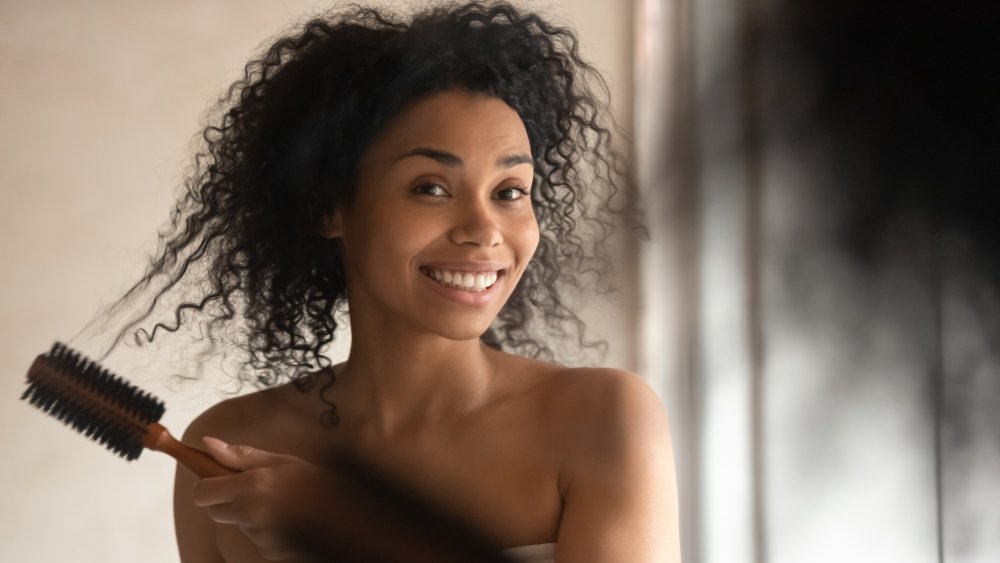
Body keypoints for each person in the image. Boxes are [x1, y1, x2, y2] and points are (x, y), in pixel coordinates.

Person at [107, 2, 679, 561]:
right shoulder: (227, 449)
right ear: (330, 207)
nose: (484, 231)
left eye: (510, 192)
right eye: (430, 187)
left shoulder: (601, 419)